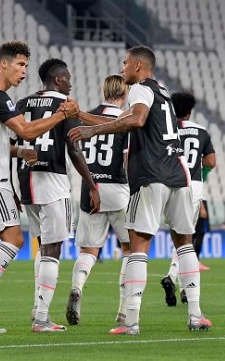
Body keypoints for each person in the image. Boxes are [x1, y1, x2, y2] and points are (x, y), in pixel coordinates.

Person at [70, 45, 212, 334]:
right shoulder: (163, 92)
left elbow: (135, 120)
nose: (122, 68)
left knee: (138, 245)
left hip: (151, 175)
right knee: (184, 243)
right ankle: (195, 315)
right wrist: (85, 117)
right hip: (179, 174)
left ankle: (131, 320)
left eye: (124, 63)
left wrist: (90, 130)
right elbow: (126, 122)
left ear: (137, 66)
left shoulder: (139, 90)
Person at [0, 42, 79, 335]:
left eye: (26, 66)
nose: (24, 71)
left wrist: (18, 153)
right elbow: (26, 131)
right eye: (19, 65)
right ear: (3, 64)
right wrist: (62, 115)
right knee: (14, 240)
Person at [16, 58, 99, 333]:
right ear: (59, 79)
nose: (71, 82)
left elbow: (10, 143)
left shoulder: (22, 103)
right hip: (52, 181)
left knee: (41, 245)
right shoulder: (65, 107)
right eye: (69, 77)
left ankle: (38, 305)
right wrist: (92, 184)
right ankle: (41, 317)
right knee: (53, 249)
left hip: (25, 180)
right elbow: (74, 151)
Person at [66, 74, 130, 326]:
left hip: (90, 188)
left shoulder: (86, 116)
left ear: (104, 91)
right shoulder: (126, 119)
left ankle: (77, 287)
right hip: (118, 187)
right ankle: (125, 309)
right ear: (124, 94)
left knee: (88, 251)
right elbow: (126, 159)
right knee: (129, 249)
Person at [160, 91, 215, 307]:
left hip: (170, 182)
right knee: (186, 239)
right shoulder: (201, 131)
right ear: (190, 111)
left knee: (178, 236)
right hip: (193, 185)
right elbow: (211, 161)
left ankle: (182, 287)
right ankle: (173, 278)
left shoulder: (166, 129)